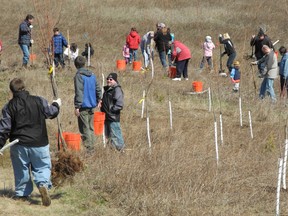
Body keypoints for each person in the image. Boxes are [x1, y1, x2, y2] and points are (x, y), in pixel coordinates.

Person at [0, 78, 61, 206]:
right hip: (39, 142)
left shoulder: (8, 107)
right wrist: (56, 105)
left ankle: (22, 194)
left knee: (21, 169)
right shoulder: (39, 100)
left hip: (18, 144)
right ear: (24, 87)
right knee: (42, 166)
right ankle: (43, 184)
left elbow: (4, 129)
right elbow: (51, 113)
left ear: (11, 91)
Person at [74, 56, 101, 151]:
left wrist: (77, 106)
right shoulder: (92, 75)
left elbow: (79, 92)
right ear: (84, 64)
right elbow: (98, 88)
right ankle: (92, 145)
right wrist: (99, 99)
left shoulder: (79, 76)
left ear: (76, 65)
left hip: (83, 106)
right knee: (90, 127)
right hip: (91, 105)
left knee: (84, 128)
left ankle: (89, 149)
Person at [99, 73, 125, 151]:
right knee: (109, 136)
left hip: (113, 117)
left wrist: (111, 111)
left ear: (115, 80)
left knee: (116, 135)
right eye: (107, 79)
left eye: (111, 79)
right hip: (106, 117)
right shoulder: (107, 90)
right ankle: (112, 152)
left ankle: (121, 151)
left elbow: (119, 104)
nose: (108, 81)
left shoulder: (117, 89)